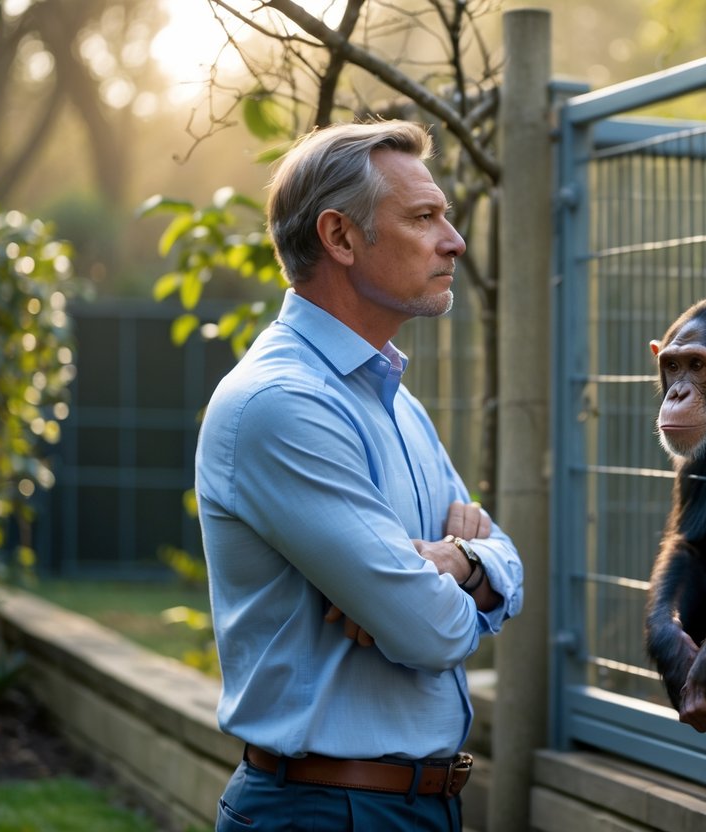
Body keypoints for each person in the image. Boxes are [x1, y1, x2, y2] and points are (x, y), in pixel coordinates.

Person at [195, 120, 524, 832]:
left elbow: (504, 558)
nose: (454, 240)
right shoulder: (281, 404)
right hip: (323, 811)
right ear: (340, 238)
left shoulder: (389, 395)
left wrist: (458, 560)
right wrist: (450, 582)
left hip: (409, 807)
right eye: (422, 217)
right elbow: (429, 631)